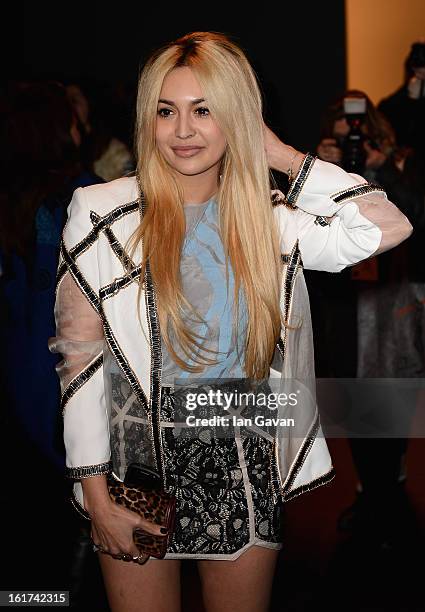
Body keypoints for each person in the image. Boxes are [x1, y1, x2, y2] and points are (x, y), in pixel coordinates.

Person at [48, 32, 412, 612]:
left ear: (237, 116)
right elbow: (79, 357)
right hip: (136, 458)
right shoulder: (100, 210)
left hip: (243, 452)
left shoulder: (267, 219)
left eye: (205, 110)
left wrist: (282, 156)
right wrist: (93, 492)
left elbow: (384, 228)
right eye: (166, 111)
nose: (183, 130)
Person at [314, 89, 425, 545]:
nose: (349, 130)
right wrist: (321, 170)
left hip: (390, 301)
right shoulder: (323, 169)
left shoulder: (401, 161)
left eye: (356, 121)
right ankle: (368, 490)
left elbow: (415, 217)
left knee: (393, 397)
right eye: (340, 121)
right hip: (344, 303)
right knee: (352, 399)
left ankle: (390, 489)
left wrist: (379, 169)